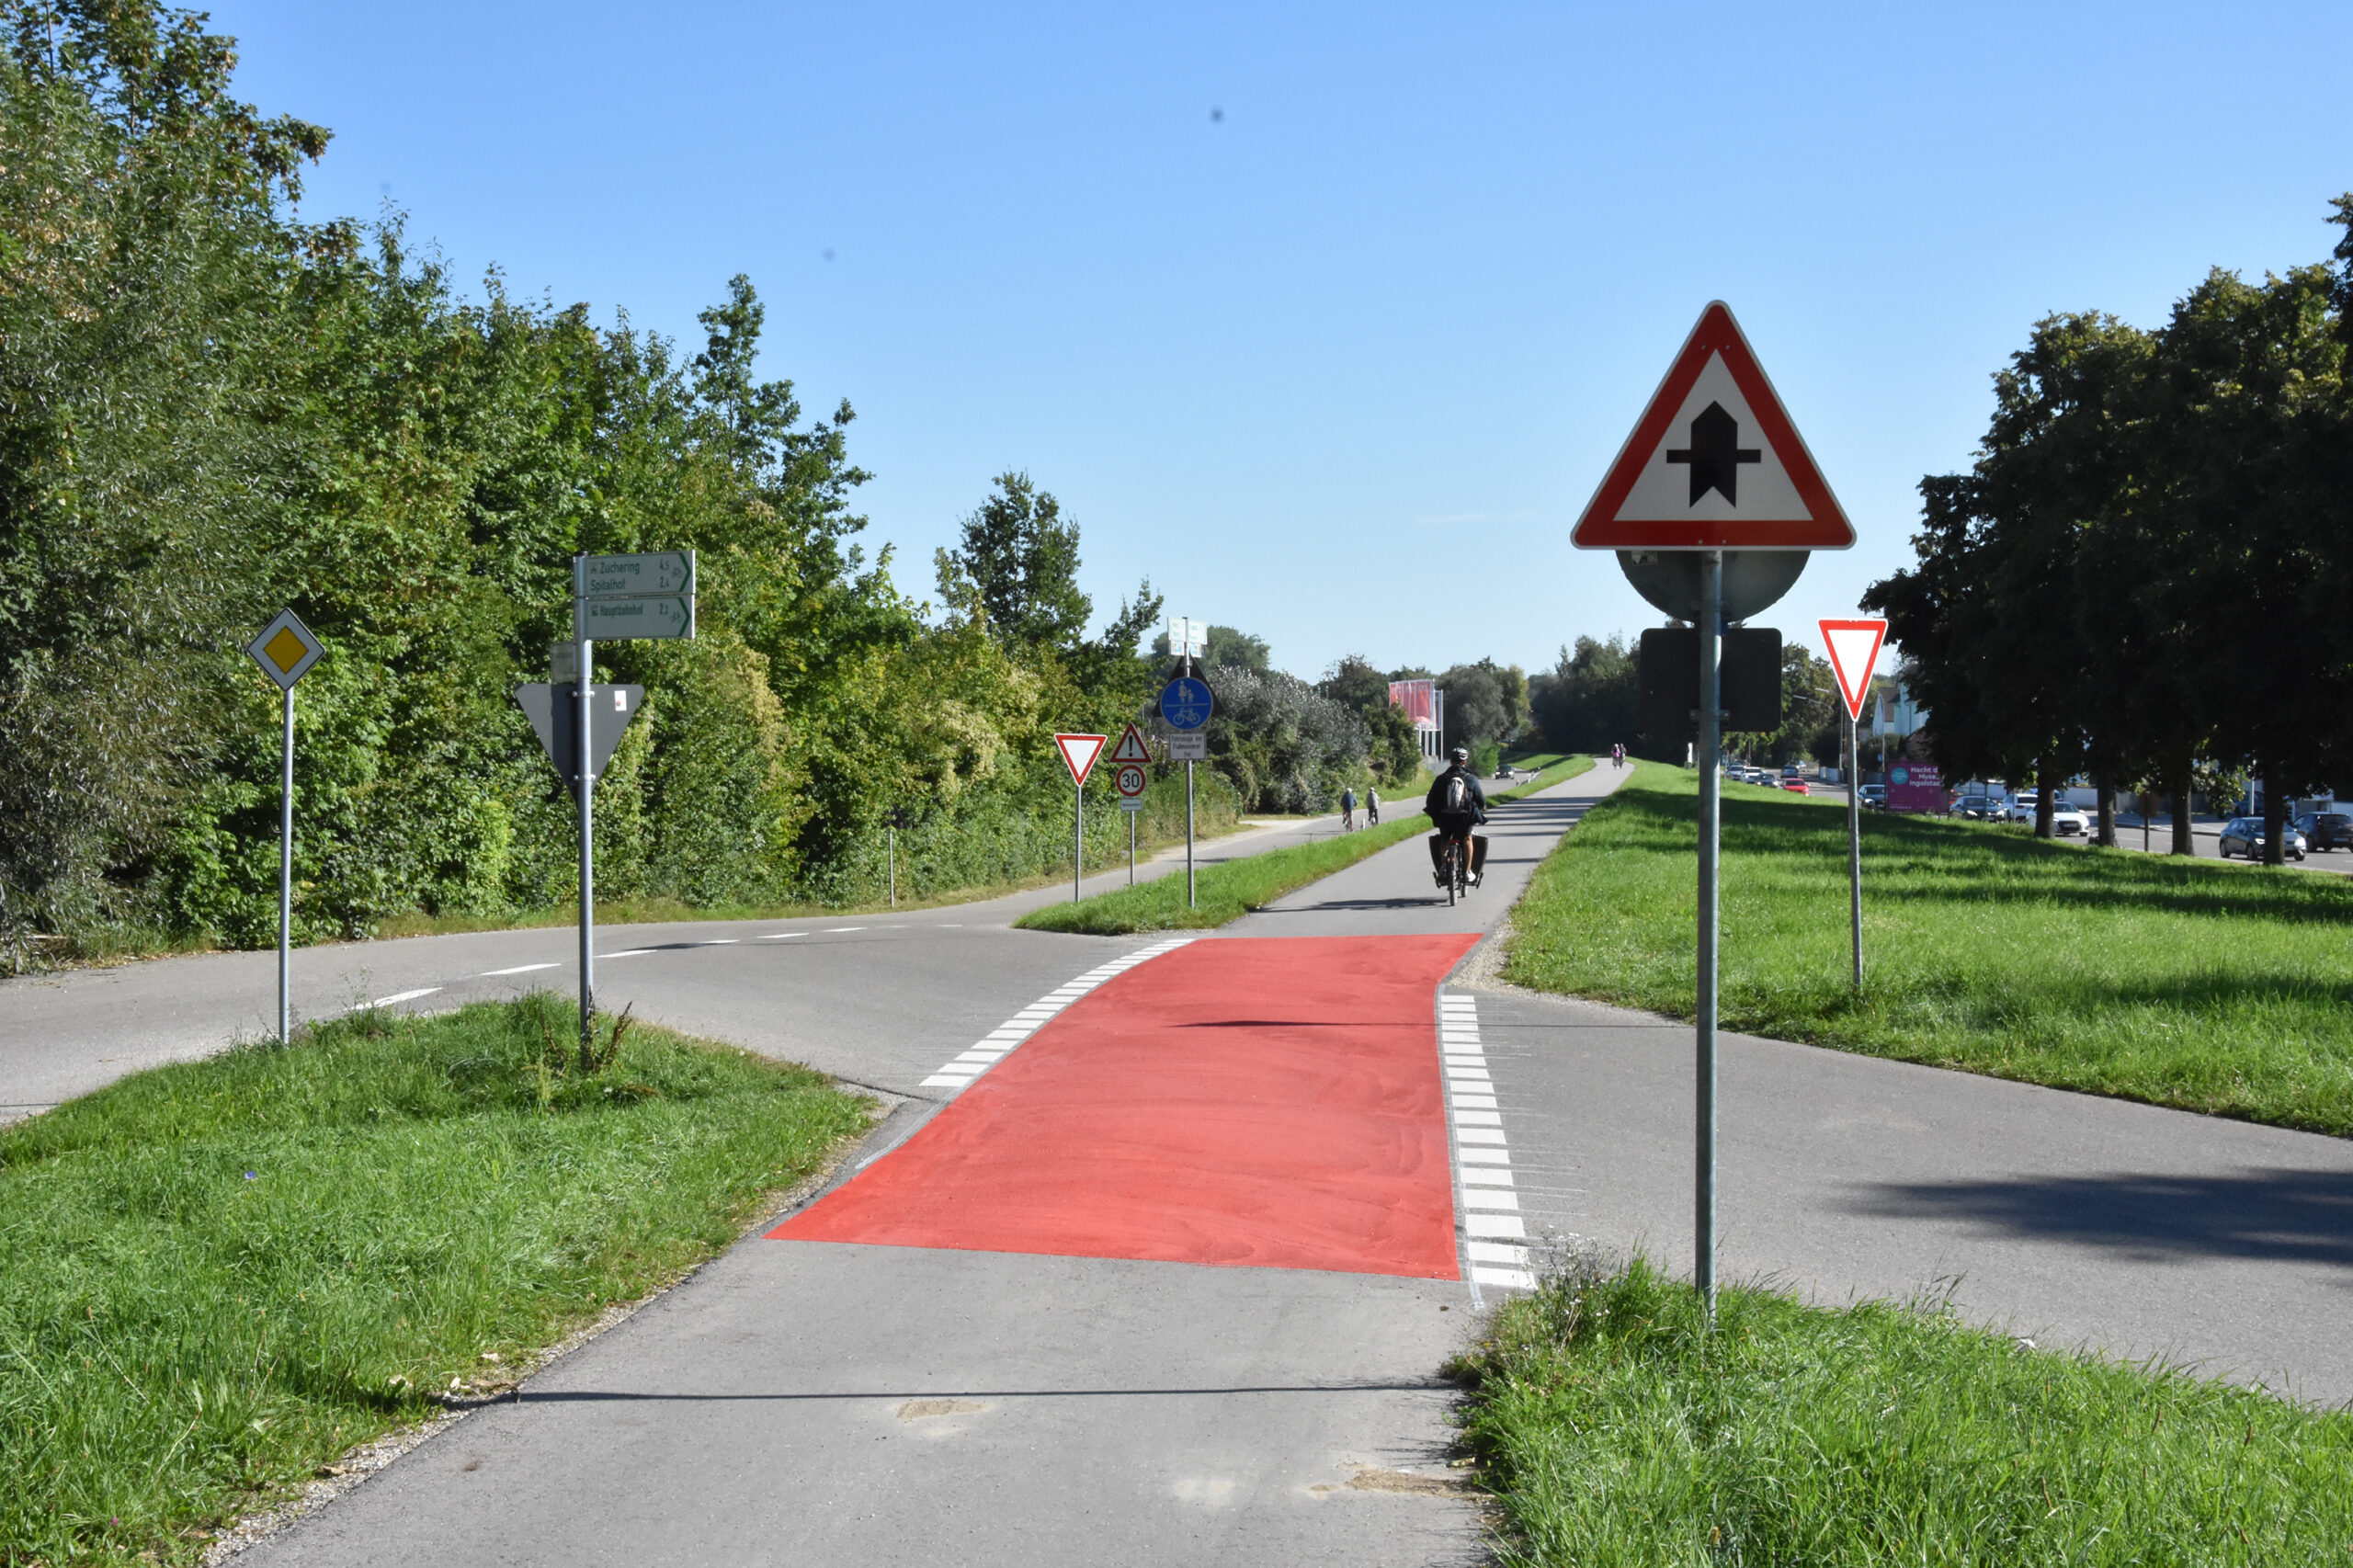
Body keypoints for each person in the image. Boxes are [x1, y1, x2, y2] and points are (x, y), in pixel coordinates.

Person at [1424, 745, 1489, 887]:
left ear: (1451, 762)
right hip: (1464, 819)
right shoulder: (1471, 779)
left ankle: (1443, 868)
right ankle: (1467, 871)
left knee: (1445, 840)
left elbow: (1430, 801)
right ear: (1464, 762)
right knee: (1467, 839)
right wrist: (1481, 807)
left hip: (1445, 818)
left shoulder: (1441, 779)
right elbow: (1481, 801)